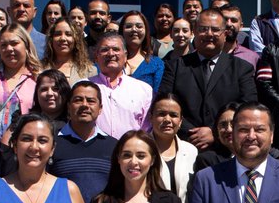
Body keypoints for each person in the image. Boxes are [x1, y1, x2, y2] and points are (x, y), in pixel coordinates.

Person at [159, 8, 257, 151]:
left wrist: (215, 132)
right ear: (194, 32)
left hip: (226, 148)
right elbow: (165, 104)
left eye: (215, 30)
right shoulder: (175, 66)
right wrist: (192, 133)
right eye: (203, 29)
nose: (209, 34)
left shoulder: (242, 68)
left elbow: (247, 107)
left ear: (225, 34)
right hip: (183, 145)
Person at [0, 24, 41, 141]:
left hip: (23, 149)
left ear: (26, 46)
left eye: (14, 43)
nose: (9, 49)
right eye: (3, 45)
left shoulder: (38, 79)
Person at [91, 32, 153, 137]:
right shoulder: (84, 87)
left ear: (125, 56)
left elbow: (146, 130)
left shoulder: (144, 90)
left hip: (132, 151)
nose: (110, 54)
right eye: (104, 50)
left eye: (116, 49)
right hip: (94, 151)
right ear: (96, 57)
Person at [43, 18, 97, 86]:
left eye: (68, 34)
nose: (62, 38)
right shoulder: (39, 68)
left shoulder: (90, 71)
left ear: (76, 39)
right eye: (58, 34)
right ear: (51, 39)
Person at [121, 10, 165, 91]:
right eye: (128, 26)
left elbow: (158, 95)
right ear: (122, 31)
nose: (134, 29)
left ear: (146, 31)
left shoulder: (156, 64)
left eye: (139, 26)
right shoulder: (112, 60)